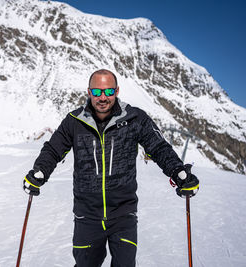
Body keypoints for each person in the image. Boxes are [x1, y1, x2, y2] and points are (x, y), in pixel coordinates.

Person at [23, 69, 199, 267]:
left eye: (108, 91)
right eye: (97, 92)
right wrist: (40, 172)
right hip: (86, 215)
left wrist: (178, 172)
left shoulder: (134, 118)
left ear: (117, 91)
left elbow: (158, 147)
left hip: (123, 214)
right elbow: (54, 150)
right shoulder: (74, 121)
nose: (103, 97)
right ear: (89, 92)